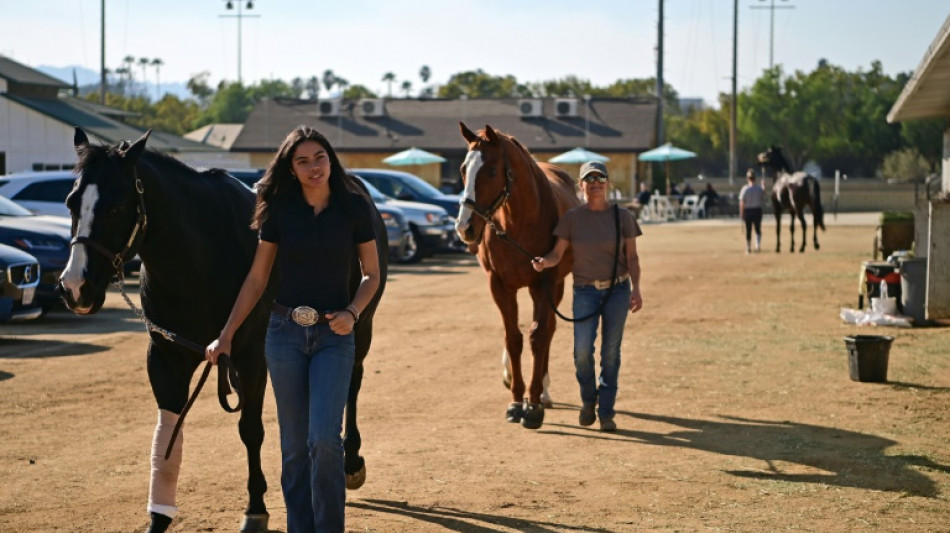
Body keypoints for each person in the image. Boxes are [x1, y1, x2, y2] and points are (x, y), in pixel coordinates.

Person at [206, 126, 380, 532]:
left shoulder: (353, 207)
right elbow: (256, 278)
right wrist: (227, 333)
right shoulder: (279, 210)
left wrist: (353, 312)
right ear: (291, 167)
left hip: (334, 336)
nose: (313, 167)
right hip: (283, 333)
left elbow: (371, 274)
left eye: (319, 157)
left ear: (330, 159)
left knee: (324, 439)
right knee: (294, 448)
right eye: (302, 161)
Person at [531, 161, 643, 432]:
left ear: (607, 184)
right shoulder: (572, 218)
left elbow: (632, 257)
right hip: (585, 292)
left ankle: (606, 412)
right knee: (582, 352)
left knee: (610, 354)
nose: (595, 183)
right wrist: (544, 262)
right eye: (589, 179)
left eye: (600, 178)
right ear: (580, 185)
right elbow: (557, 254)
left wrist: (637, 288)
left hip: (617, 290)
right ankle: (587, 400)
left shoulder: (623, 217)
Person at [739, 168, 765, 253]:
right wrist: (763, 186)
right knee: (758, 229)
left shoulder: (745, 189)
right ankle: (757, 246)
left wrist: (741, 213)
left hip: (748, 211)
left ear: (747, 178)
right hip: (757, 210)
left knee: (748, 230)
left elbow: (742, 202)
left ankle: (748, 247)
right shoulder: (758, 188)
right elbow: (763, 194)